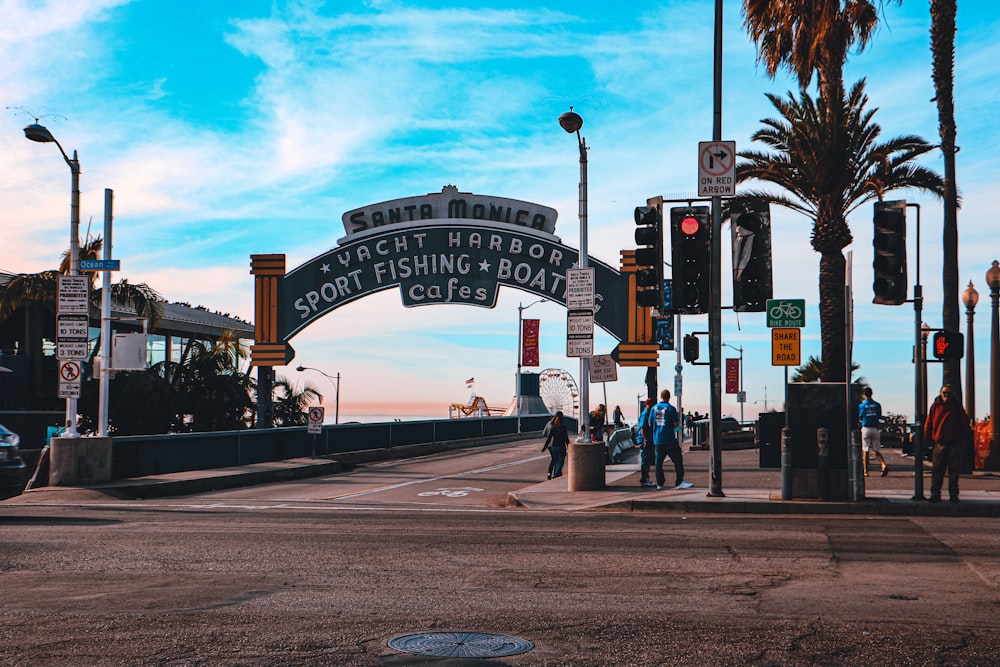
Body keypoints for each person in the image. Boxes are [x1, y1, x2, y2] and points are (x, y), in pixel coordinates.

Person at [924, 384, 970, 503]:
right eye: (944, 393)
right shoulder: (935, 407)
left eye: (948, 393)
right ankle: (935, 494)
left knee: (954, 471)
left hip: (954, 443)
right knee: (937, 471)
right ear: (941, 393)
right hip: (939, 443)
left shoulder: (957, 407)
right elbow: (929, 423)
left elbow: (963, 423)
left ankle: (953, 494)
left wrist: (963, 438)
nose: (946, 395)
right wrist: (927, 439)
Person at [649, 389, 693, 490]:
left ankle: (660, 483)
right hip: (669, 439)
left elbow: (650, 424)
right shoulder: (670, 408)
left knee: (658, 462)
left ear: (661, 396)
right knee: (677, 460)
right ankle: (679, 482)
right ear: (669, 397)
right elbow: (675, 424)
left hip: (657, 440)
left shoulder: (653, 408)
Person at [858, 387, 888, 477]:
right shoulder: (877, 405)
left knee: (865, 450)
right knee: (876, 450)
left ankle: (866, 471)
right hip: (876, 428)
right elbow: (879, 416)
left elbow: (860, 416)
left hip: (866, 428)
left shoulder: (862, 405)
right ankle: (883, 464)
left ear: (864, 394)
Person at [541, 411, 570, 479]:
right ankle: (556, 475)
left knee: (555, 461)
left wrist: (544, 447)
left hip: (553, 446)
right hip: (561, 447)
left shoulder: (552, 427)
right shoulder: (563, 427)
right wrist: (569, 446)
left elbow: (548, 438)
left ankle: (551, 473)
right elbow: (566, 438)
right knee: (560, 463)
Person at [636, 398, 656, 488]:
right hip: (645, 440)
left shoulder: (648, 413)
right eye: (651, 404)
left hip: (647, 439)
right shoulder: (645, 414)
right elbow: (643, 428)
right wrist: (645, 440)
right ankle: (644, 479)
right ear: (647, 404)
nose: (652, 406)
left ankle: (645, 478)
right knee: (645, 459)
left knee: (647, 459)